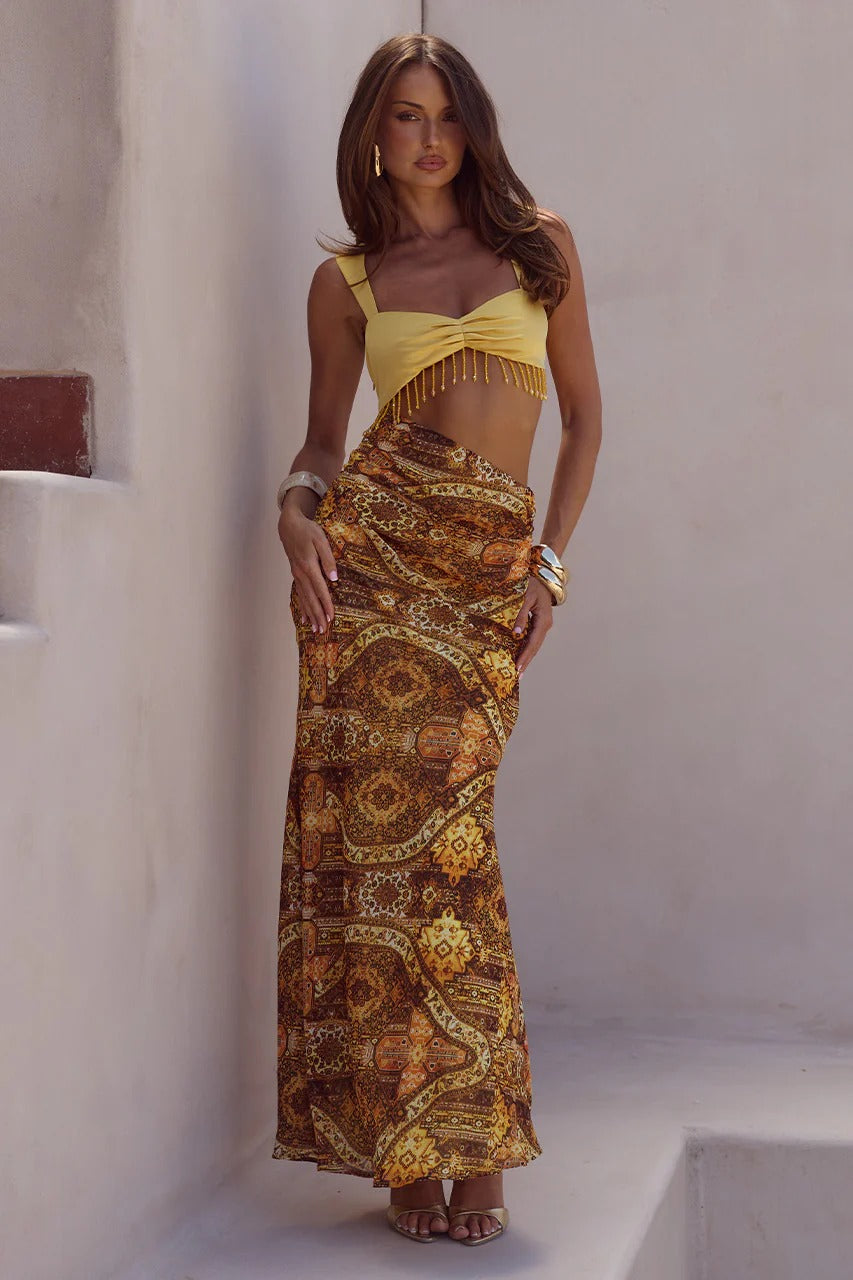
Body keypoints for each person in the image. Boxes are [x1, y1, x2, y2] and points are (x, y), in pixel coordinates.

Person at [273, 31, 601, 1247]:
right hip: (367, 576)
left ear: (474, 126)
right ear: (375, 131)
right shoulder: (348, 284)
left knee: (452, 852)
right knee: (380, 865)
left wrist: (549, 564)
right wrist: (293, 512)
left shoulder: (539, 247)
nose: (428, 138)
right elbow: (322, 443)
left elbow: (584, 422)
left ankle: (474, 1140)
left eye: (446, 115)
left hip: (481, 579)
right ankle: (410, 1154)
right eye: (406, 116)